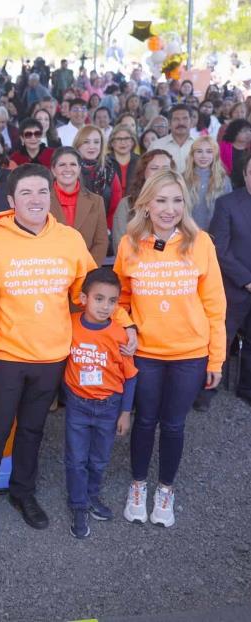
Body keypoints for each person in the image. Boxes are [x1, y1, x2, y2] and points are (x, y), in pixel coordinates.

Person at [0, 164, 136, 539]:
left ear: (52, 195)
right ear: (10, 201)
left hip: (52, 356)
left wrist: (125, 322)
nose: (36, 200)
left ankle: (22, 493)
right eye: (26, 193)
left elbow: (96, 288)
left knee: (32, 430)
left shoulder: (70, 240)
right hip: (6, 355)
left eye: (43, 192)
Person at [115, 170, 225, 528]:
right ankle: (138, 486)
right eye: (161, 200)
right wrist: (128, 325)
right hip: (146, 352)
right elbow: (119, 299)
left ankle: (165, 491)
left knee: (174, 425)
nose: (169, 209)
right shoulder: (130, 244)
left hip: (189, 354)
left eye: (177, 200)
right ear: (145, 204)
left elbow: (215, 306)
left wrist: (217, 357)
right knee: (145, 421)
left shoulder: (201, 243)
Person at [63, 268, 137, 538]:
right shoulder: (69, 324)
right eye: (99, 299)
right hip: (77, 405)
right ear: (83, 298)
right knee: (76, 459)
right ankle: (78, 505)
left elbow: (130, 376)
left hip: (109, 406)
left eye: (112, 301)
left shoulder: (120, 334)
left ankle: (92, 495)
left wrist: (125, 412)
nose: (105, 306)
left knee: (99, 459)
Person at [208, 153, 251, 410]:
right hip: (234, 287)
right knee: (222, 339)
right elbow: (219, 249)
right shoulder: (227, 204)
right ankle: (206, 390)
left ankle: (246, 387)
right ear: (245, 174)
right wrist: (246, 280)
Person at [50, 147, 109, 265]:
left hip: (86, 272)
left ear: (79, 169)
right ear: (53, 170)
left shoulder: (96, 201)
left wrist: (88, 269)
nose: (68, 169)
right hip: (52, 271)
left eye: (73, 164)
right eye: (62, 165)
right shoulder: (41, 201)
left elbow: (101, 241)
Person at [111, 150, 175, 250]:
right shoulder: (126, 204)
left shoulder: (180, 204)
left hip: (173, 263)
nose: (160, 173)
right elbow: (120, 246)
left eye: (165, 168)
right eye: (154, 168)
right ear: (143, 172)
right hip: (137, 263)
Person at [73, 125, 123, 230]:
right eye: (86, 142)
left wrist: (106, 228)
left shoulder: (109, 171)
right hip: (73, 230)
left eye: (96, 142)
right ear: (78, 145)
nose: (92, 146)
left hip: (102, 230)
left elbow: (116, 206)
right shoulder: (69, 169)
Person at [184, 136, 232, 231]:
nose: (204, 156)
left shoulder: (224, 181)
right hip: (187, 234)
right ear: (192, 155)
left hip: (215, 235)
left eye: (209, 151)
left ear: (215, 155)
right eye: (199, 151)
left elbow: (230, 213)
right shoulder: (182, 179)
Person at [148, 105, 195, 174]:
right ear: (169, 124)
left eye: (185, 119)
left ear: (191, 122)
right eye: (176, 119)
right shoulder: (156, 146)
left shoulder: (200, 144)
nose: (181, 123)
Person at [219, 118, 251, 188]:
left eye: (249, 130)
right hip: (227, 184)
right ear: (234, 132)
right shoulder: (223, 147)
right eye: (244, 131)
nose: (248, 133)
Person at [107, 124, 140, 193]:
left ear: (132, 142)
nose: (123, 142)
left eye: (127, 138)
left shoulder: (140, 161)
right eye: (119, 139)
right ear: (112, 143)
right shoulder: (105, 162)